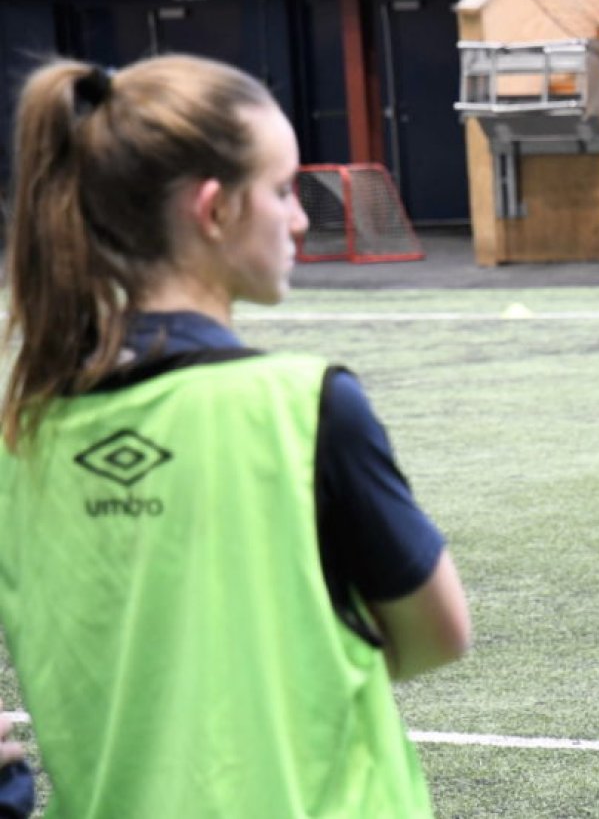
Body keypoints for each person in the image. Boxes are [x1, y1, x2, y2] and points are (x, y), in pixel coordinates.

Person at [0, 54, 472, 817]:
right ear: (214, 210)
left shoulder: (21, 435)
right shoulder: (303, 406)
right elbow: (438, 634)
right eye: (282, 191)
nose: (298, 218)